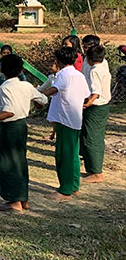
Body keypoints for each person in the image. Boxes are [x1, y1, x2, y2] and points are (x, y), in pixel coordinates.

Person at [0, 54, 48, 212]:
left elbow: (8, 112)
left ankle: (14, 200)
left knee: (9, 162)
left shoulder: (5, 88)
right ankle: (23, 198)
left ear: (2, 70)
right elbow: (43, 100)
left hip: (10, 127)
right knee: (20, 161)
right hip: (22, 125)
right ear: (21, 69)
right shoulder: (26, 85)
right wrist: (36, 104)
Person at [41, 46, 90, 200]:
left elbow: (53, 90)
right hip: (75, 118)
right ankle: (74, 186)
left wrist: (37, 95)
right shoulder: (79, 75)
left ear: (59, 61)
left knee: (64, 155)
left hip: (64, 119)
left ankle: (65, 190)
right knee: (73, 154)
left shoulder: (63, 75)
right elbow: (87, 96)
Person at [80, 40, 111, 183]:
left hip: (96, 107)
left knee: (91, 139)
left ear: (89, 59)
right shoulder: (103, 64)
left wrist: (86, 104)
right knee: (94, 137)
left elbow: (96, 92)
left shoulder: (94, 71)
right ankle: (93, 169)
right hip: (102, 106)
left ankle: (96, 172)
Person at [0, 45, 26, 127]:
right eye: (4, 53)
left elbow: (22, 76)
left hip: (11, 88)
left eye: (8, 53)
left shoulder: (13, 64)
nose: (5, 54)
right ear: (1, 53)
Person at [39, 61, 60, 142]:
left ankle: (56, 134)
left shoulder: (61, 76)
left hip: (59, 99)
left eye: (52, 65)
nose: (50, 67)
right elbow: (44, 87)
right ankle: (54, 134)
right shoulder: (51, 77)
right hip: (52, 99)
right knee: (53, 118)